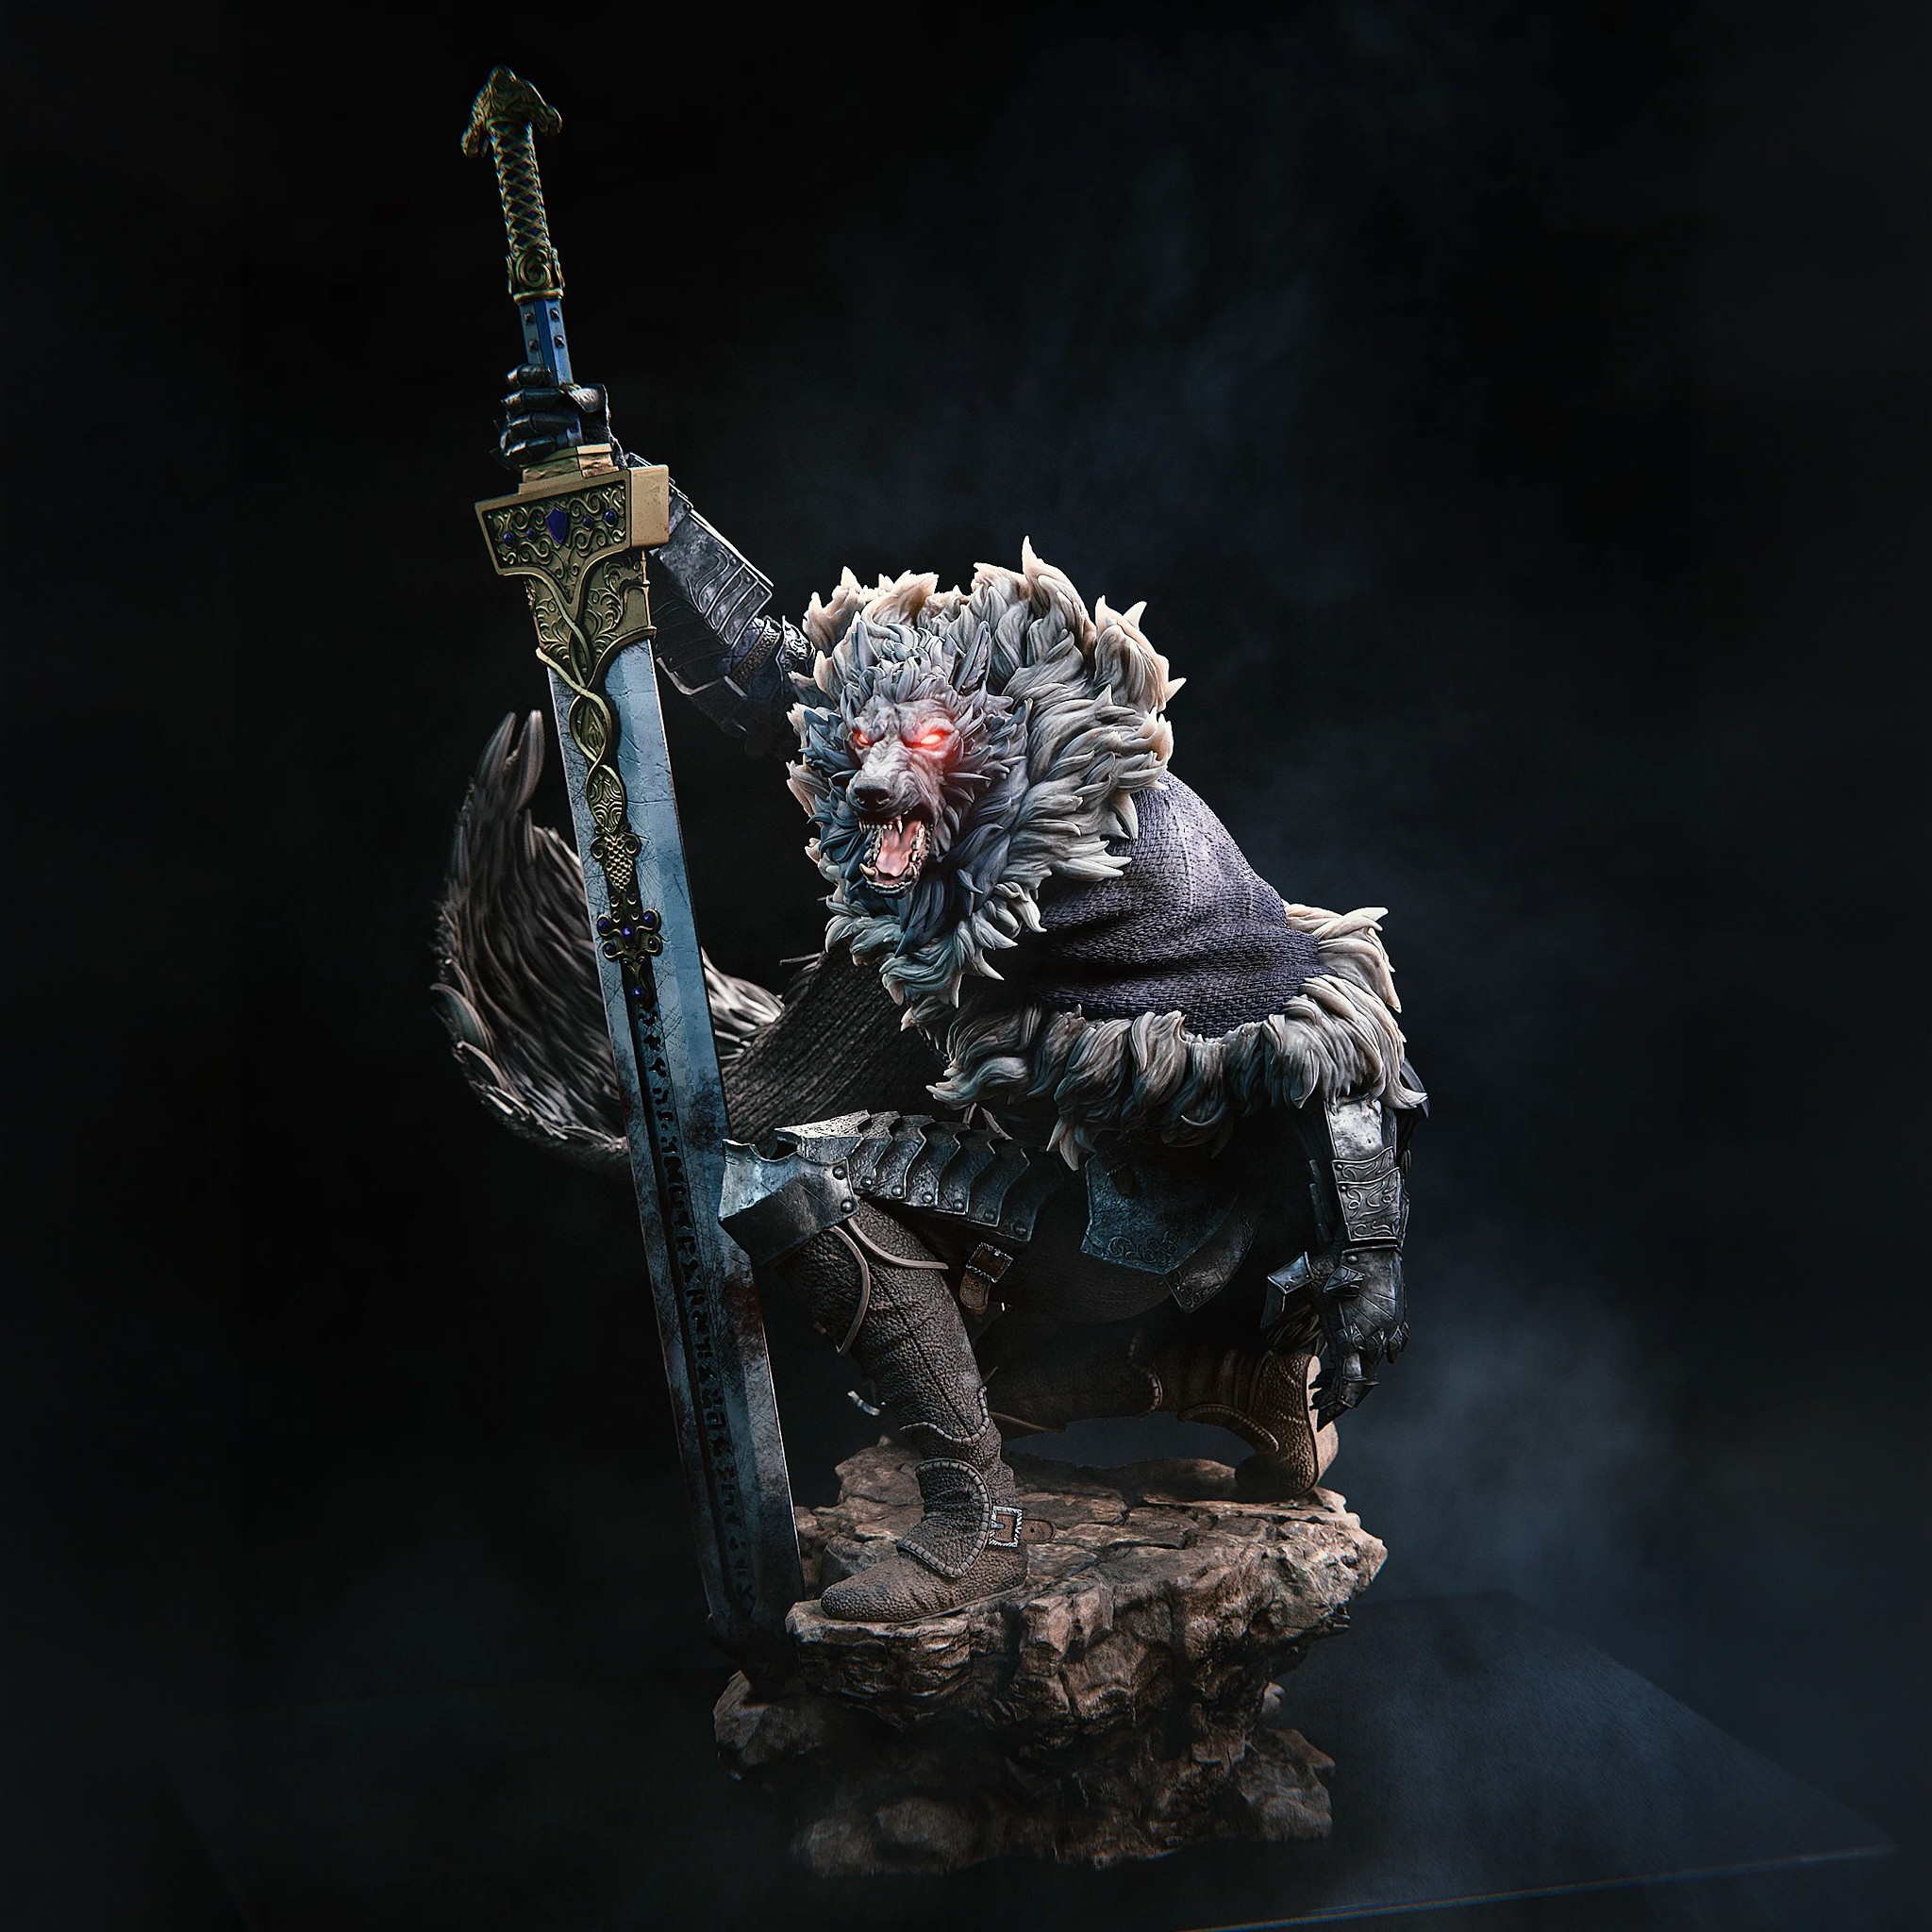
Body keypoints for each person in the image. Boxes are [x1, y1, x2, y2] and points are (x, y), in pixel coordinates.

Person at [448, 365, 1424, 1623]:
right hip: (1049, 1148)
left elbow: (1334, 1043)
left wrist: (1369, 1266)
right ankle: (1236, 1383)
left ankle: (978, 1524)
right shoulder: (932, 808)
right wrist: (627, 487)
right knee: (983, 1378)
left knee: (798, 1187)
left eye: (920, 749)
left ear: (1002, 748)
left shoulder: (1140, 851)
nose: (872, 780)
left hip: (1148, 1219)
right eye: (873, 746)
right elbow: (766, 670)